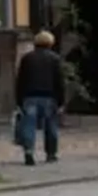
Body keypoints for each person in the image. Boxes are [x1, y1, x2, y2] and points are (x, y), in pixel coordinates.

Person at [15, 29, 67, 166]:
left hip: (30, 96)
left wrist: (19, 100)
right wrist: (61, 101)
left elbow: (20, 80)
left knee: (29, 125)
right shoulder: (55, 59)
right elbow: (59, 81)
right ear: (50, 43)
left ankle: (29, 152)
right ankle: (51, 154)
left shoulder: (27, 58)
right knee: (51, 126)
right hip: (49, 97)